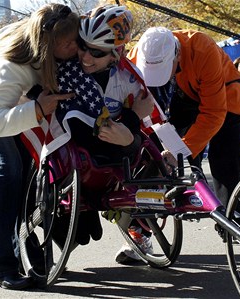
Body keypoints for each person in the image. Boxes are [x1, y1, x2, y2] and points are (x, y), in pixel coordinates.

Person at [0, 3, 79, 290]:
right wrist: (36, 110)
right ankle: (0, 265)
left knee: (30, 169)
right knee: (9, 169)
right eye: (69, 44)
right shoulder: (13, 65)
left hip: (28, 91)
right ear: (49, 46)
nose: (76, 47)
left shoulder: (62, 28)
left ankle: (32, 251)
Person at [117, 27, 240, 263]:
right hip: (182, 97)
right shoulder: (138, 54)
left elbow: (214, 113)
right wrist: (163, 151)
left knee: (226, 160)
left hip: (223, 96)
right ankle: (140, 229)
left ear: (177, 55)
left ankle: (235, 217)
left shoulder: (202, 48)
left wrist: (182, 149)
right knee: (156, 158)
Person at [49, 4, 156, 248]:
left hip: (114, 160)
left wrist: (170, 153)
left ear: (115, 54)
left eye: (96, 53)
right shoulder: (67, 73)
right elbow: (89, 134)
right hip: (73, 160)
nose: (85, 57)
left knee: (153, 153)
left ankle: (138, 231)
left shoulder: (130, 77)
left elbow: (153, 122)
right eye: (83, 46)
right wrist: (130, 122)